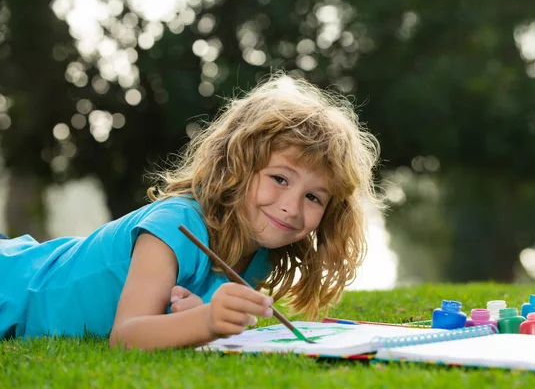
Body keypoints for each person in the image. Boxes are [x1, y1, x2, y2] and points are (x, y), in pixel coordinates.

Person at [0, 72, 381, 349]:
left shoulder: (261, 251)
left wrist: (193, 318)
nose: (291, 207)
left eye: (314, 197)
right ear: (237, 165)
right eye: (280, 178)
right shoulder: (175, 224)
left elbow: (174, 319)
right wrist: (207, 320)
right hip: (12, 286)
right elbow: (126, 335)